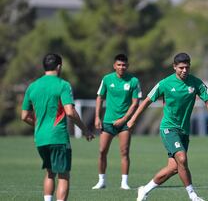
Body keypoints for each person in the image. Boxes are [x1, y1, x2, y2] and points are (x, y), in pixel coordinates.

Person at [127, 52, 208, 201]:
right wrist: (133, 119)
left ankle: (145, 189)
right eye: (181, 67)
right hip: (169, 128)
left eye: (187, 67)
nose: (184, 70)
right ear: (174, 67)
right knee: (182, 158)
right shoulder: (165, 84)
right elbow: (146, 101)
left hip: (184, 131)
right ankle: (193, 196)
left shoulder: (196, 83)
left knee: (174, 168)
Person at [21, 53, 94, 201]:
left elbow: (24, 116)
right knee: (63, 175)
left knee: (49, 172)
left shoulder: (32, 87)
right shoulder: (63, 85)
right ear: (59, 66)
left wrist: (40, 125)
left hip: (40, 138)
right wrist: (85, 130)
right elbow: (70, 112)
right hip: (58, 137)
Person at [92, 54, 142, 190]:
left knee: (124, 151)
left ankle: (124, 182)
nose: (122, 67)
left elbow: (135, 103)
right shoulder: (107, 79)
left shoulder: (133, 81)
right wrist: (97, 117)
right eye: (119, 65)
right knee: (102, 151)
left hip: (124, 123)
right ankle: (101, 180)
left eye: (124, 65)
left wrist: (124, 119)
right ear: (114, 66)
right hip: (108, 122)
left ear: (128, 66)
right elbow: (99, 98)